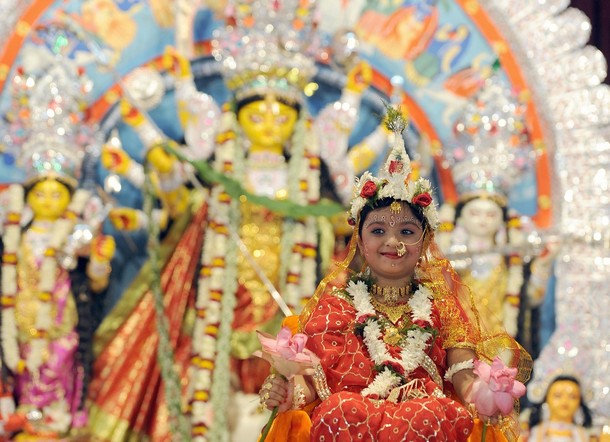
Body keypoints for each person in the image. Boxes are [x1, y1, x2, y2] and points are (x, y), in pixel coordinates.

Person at [259, 111, 531, 441]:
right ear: (359, 239)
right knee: (340, 409)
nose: (392, 242)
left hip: (424, 417)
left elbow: (461, 371)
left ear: (426, 241)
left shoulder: (441, 305)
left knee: (439, 412)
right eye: (377, 230)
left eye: (406, 231)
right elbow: (313, 381)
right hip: (348, 421)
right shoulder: (335, 305)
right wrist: (292, 393)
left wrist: (480, 394)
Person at [527, 376, 592, 442]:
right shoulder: (533, 432)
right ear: (546, 398)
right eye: (558, 395)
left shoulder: (586, 434)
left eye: (572, 397)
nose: (564, 402)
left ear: (580, 401)